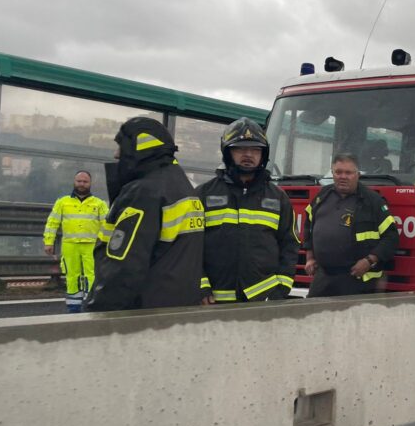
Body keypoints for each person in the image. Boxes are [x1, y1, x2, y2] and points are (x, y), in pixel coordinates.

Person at [84, 117, 205, 312]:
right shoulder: (183, 187)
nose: (116, 155)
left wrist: (97, 312)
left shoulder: (144, 193)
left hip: (141, 312)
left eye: (121, 148)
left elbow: (124, 267)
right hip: (177, 310)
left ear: (136, 151)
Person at [198, 118, 299, 303]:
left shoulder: (278, 198)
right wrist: (201, 285)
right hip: (214, 301)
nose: (248, 155)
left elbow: (290, 245)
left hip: (262, 300)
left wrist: (282, 288)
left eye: (255, 150)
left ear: (263, 154)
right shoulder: (203, 194)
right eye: (241, 149)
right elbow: (191, 245)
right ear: (228, 152)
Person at [303, 153, 399, 297]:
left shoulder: (373, 202)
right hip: (323, 277)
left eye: (348, 173)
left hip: (355, 279)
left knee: (350, 319)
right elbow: (308, 226)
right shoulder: (321, 196)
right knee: (313, 316)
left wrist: (369, 261)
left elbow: (391, 238)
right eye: (338, 172)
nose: (343, 176)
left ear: (357, 174)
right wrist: (309, 257)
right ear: (333, 173)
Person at [43, 170, 108, 313]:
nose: (82, 184)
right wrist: (49, 241)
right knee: (71, 276)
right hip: (70, 245)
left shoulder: (99, 204)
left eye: (85, 182)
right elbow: (52, 222)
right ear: (74, 182)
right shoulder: (62, 202)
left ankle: (89, 304)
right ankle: (73, 308)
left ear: (90, 183)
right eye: (79, 181)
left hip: (91, 245)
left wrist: (105, 244)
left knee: (91, 275)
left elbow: (107, 225)